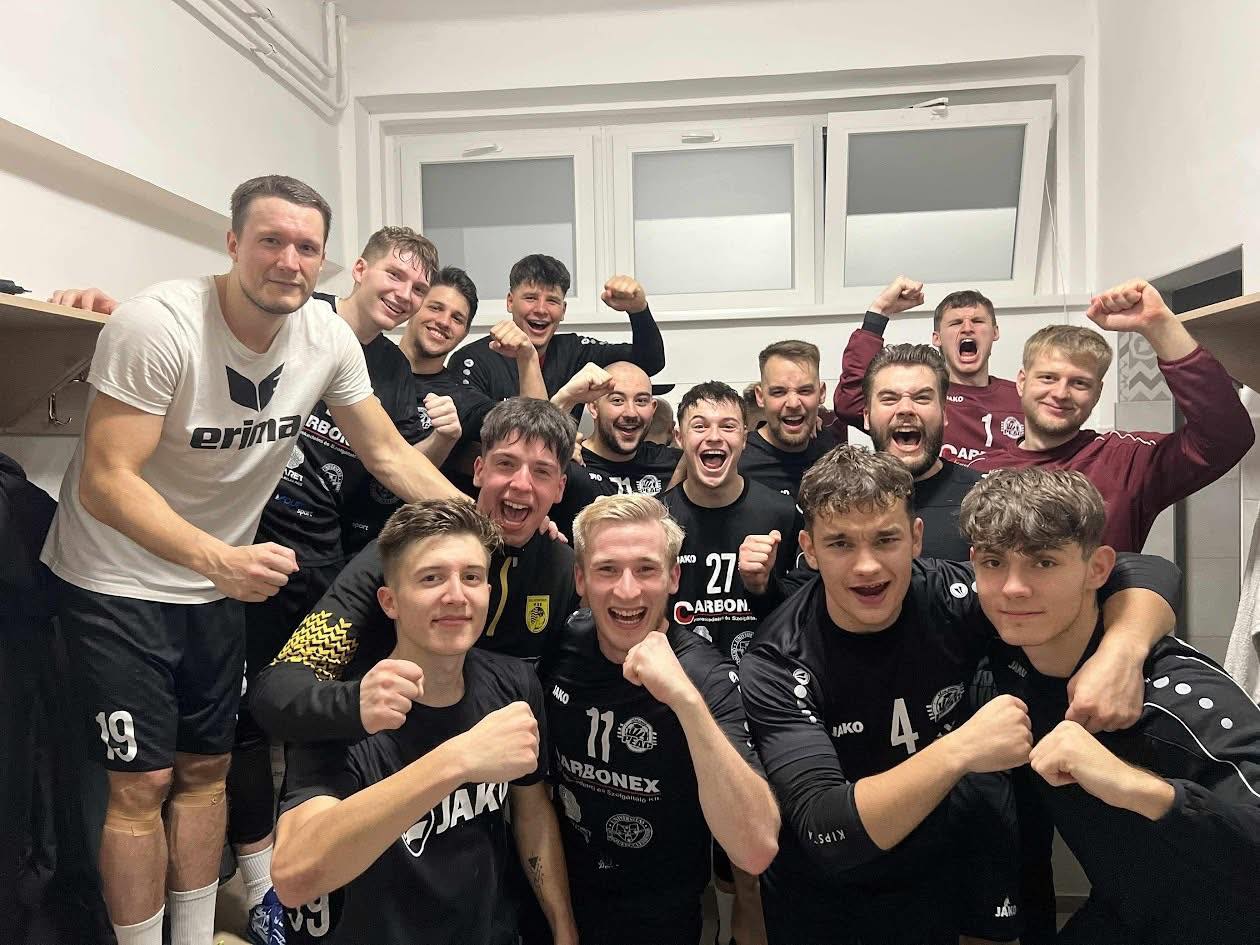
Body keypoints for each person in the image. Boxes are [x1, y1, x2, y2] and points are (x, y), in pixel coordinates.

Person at [39, 175, 459, 945]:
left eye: (306, 247)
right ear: (233, 243)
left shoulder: (327, 340)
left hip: (218, 585)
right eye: (271, 240)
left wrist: (481, 528)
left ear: (325, 260)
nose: (288, 261)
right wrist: (218, 559)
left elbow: (388, 453)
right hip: (117, 577)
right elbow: (105, 480)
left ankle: (197, 933)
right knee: (142, 782)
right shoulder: (159, 323)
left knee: (206, 768)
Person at [737, 446, 1180, 945]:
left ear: (916, 538)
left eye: (886, 539)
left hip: (936, 871)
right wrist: (961, 750)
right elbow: (827, 831)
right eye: (840, 543)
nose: (867, 566)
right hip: (824, 895)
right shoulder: (778, 659)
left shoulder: (949, 595)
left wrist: (1121, 651)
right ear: (810, 549)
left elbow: (1142, 570)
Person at [962, 468, 1260, 945]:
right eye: (994, 562)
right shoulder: (1006, 650)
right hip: (1127, 911)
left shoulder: (1177, 699)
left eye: (1044, 562)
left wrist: (1136, 787)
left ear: (1098, 568)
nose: (1014, 588)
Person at [271, 500, 577, 945]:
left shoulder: (513, 684)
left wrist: (563, 926)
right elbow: (294, 878)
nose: (456, 595)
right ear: (389, 601)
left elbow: (532, 812)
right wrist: (457, 760)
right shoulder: (346, 710)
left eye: (472, 577)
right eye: (431, 578)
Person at [251, 397, 580, 744]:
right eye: (506, 464)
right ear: (479, 470)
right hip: (385, 747)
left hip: (500, 759)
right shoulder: (404, 550)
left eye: (541, 472)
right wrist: (355, 703)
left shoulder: (562, 569)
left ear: (559, 487)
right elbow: (278, 689)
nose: (522, 484)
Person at [541, 493, 780, 945]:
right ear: (580, 578)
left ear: (673, 577)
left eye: (646, 569)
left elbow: (756, 848)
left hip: (663, 916)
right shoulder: (563, 644)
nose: (627, 591)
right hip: (560, 900)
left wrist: (685, 701)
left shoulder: (706, 677)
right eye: (607, 569)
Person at [969, 279, 1255, 551]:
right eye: (1048, 378)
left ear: (1097, 392)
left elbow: (1226, 437)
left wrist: (1159, 324)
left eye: (1079, 383)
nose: (1060, 393)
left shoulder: (1125, 461)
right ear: (1021, 382)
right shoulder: (980, 471)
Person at [833, 278, 1024, 464]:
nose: (967, 328)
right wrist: (879, 310)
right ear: (937, 338)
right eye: (956, 323)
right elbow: (850, 402)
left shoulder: (1020, 397)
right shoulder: (919, 397)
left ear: (995, 332)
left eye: (978, 321)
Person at [457, 254, 666, 417]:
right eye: (530, 298)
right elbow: (475, 434)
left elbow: (649, 363)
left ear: (563, 310)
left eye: (552, 301)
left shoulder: (575, 351)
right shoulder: (473, 360)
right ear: (510, 302)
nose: (541, 309)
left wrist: (638, 311)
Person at [862, 343, 982, 560]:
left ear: (944, 413)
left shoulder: (983, 499)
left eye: (922, 398)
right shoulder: (838, 499)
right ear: (866, 416)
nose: (905, 409)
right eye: (889, 399)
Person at [739, 340, 841, 500]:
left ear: (821, 393)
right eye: (779, 392)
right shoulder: (738, 460)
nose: (793, 403)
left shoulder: (831, 451)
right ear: (760, 397)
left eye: (805, 391)